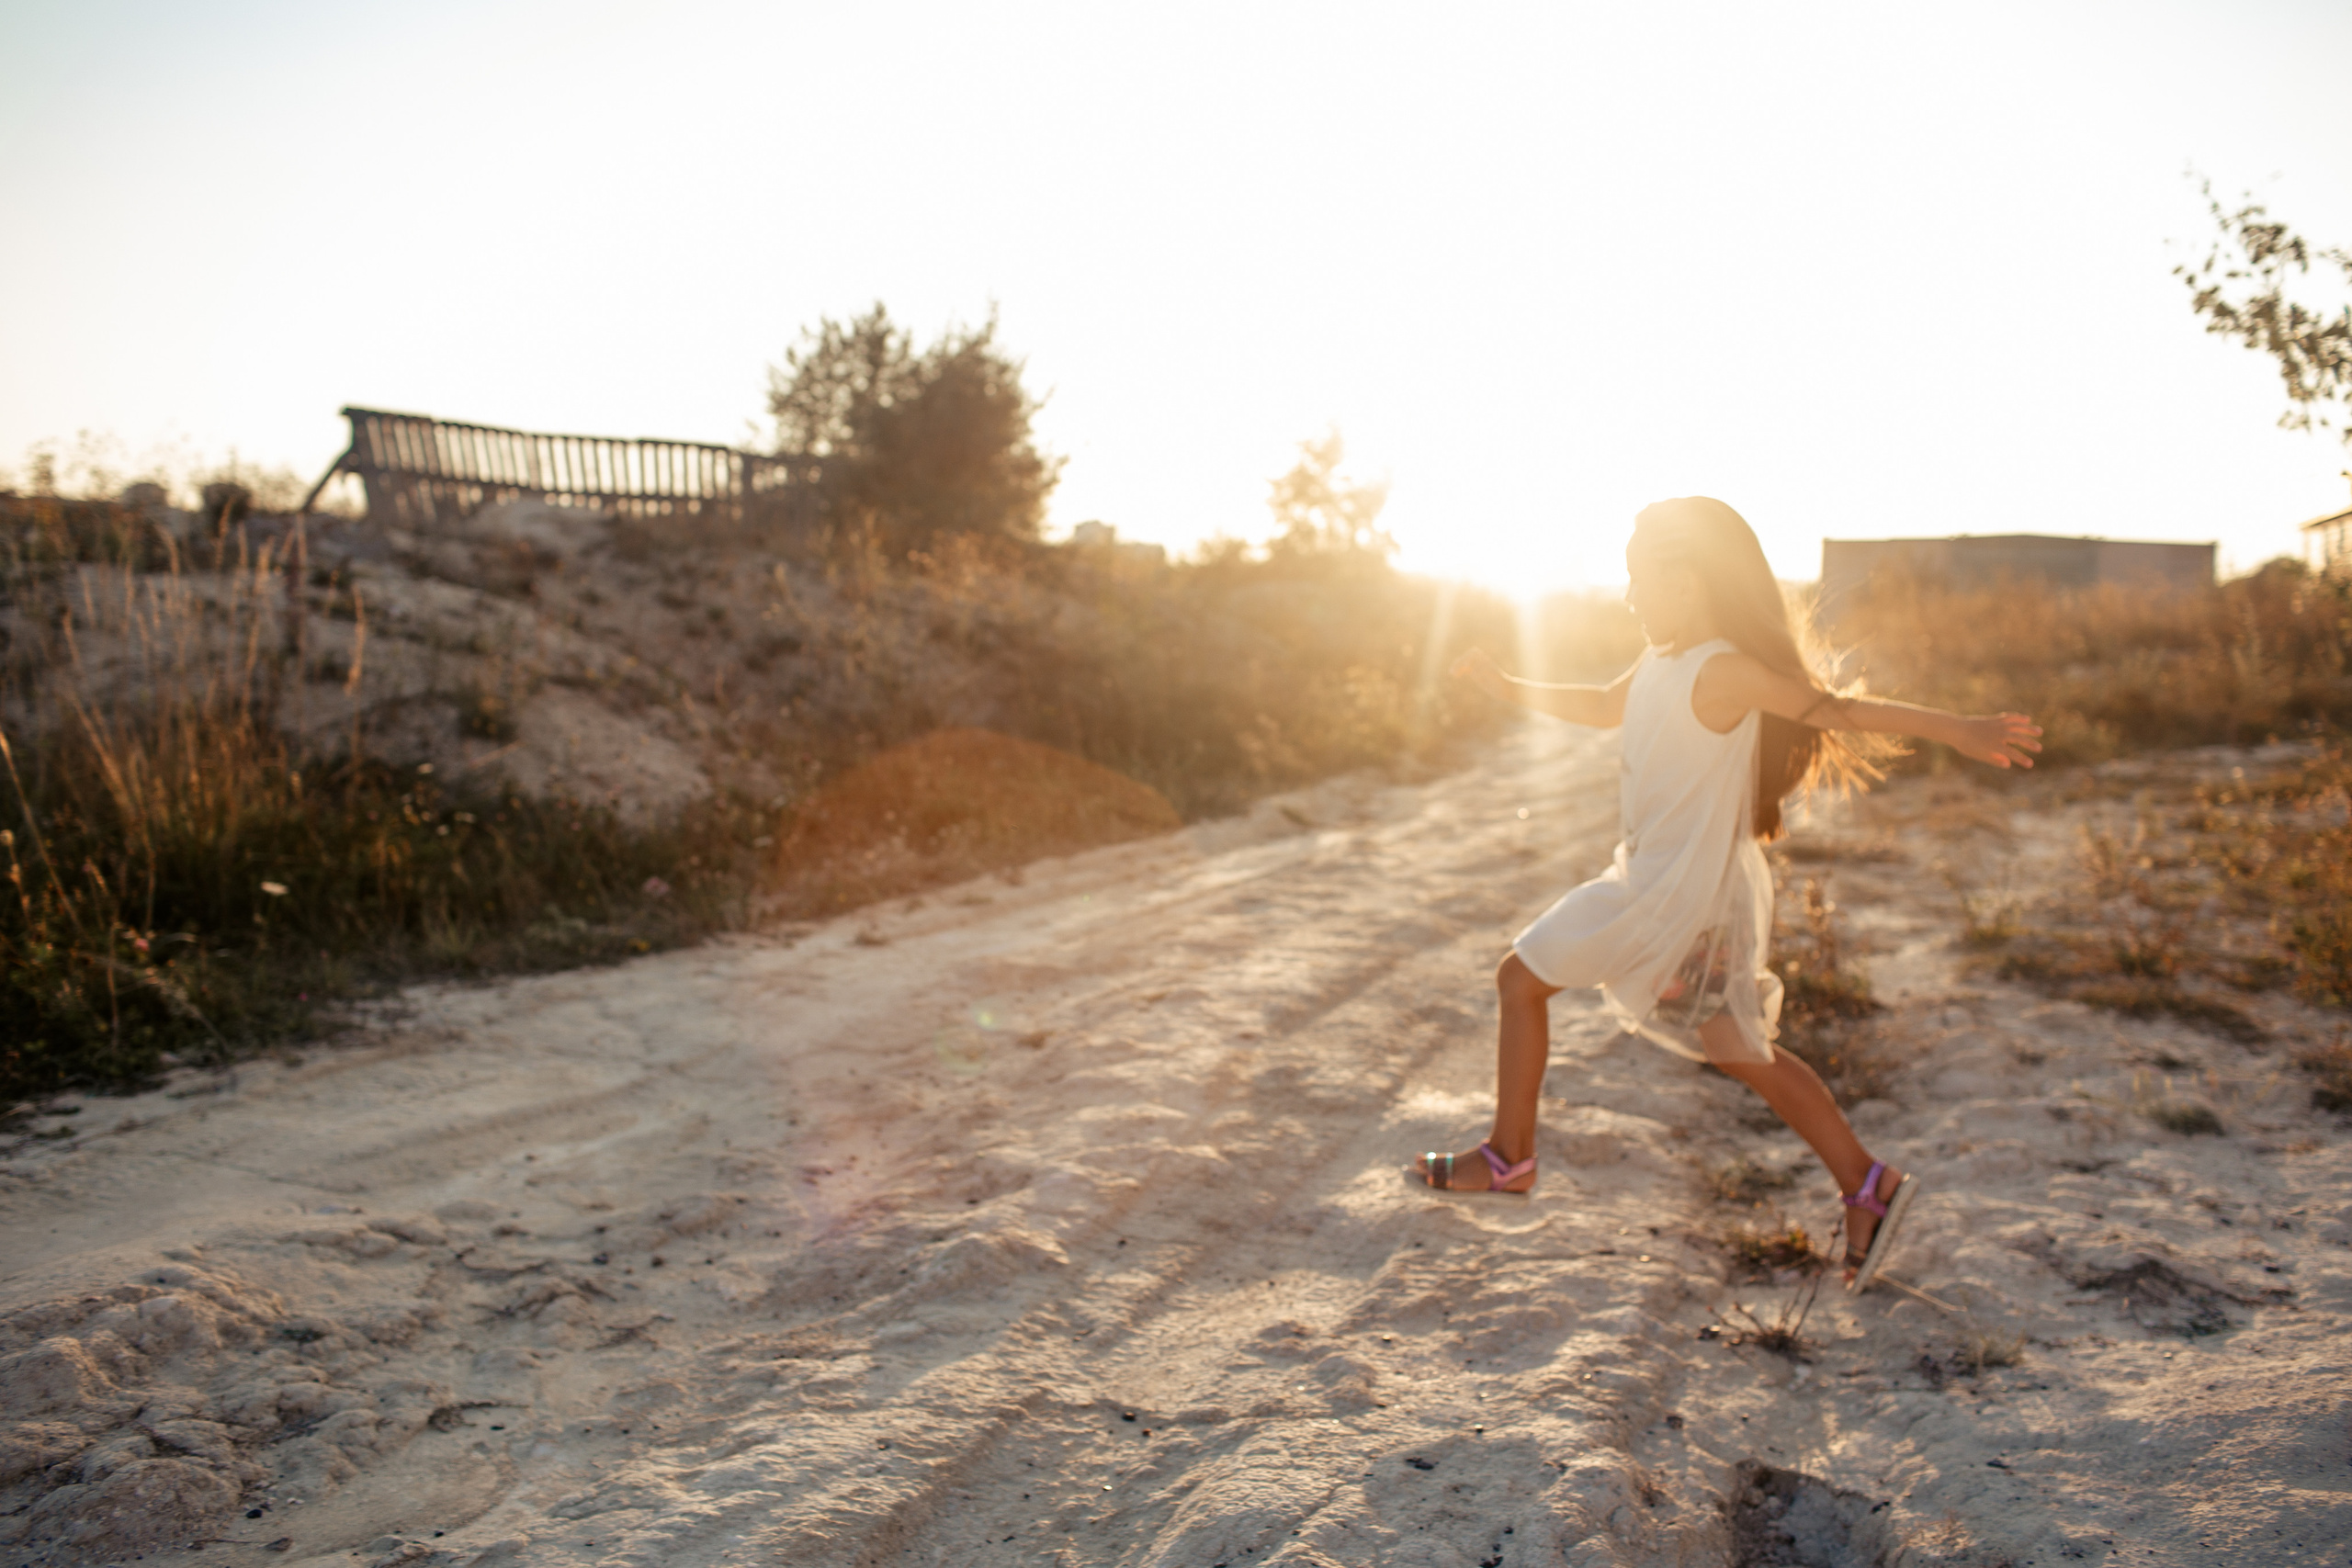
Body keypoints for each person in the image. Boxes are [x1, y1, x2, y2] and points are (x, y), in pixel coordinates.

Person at [1420, 496, 2040, 1292]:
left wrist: (1957, 728)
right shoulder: (1661, 661)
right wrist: (1509, 686)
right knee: (1737, 1048)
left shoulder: (1722, 667)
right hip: (1670, 884)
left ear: (1688, 580)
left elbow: (1837, 709)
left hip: (1679, 890)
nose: (1632, 595)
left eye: (1643, 578)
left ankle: (1510, 1157)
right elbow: (1602, 705)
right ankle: (1869, 1186)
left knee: (1520, 976)